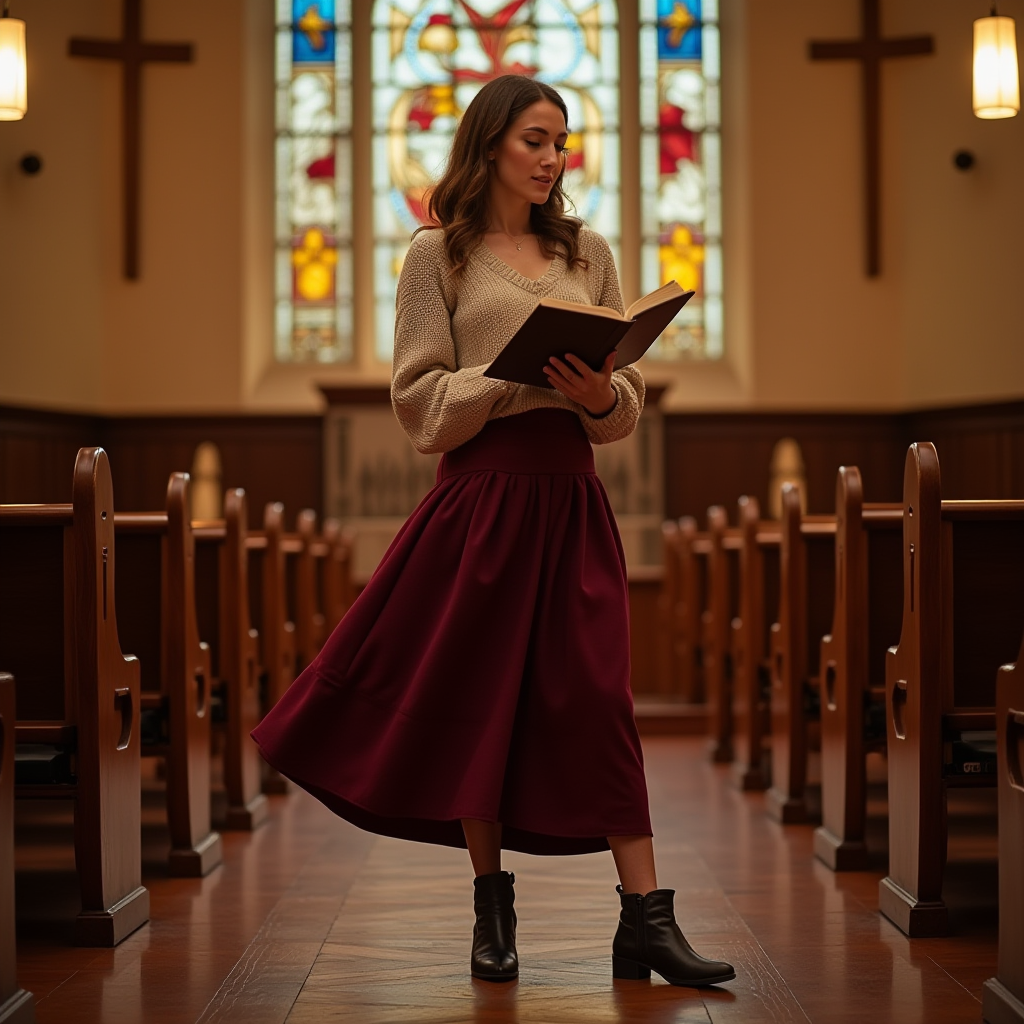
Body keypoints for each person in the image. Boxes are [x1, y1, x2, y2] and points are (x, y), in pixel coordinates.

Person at [252, 74, 735, 990]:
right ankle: (493, 911)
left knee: (599, 704)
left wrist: (600, 395)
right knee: (483, 707)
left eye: (562, 141)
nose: (554, 158)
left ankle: (646, 920)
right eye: (537, 140)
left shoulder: (587, 251)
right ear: (490, 146)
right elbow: (422, 405)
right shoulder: (438, 255)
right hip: (479, 505)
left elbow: (621, 406)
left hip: (570, 500)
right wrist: (517, 379)